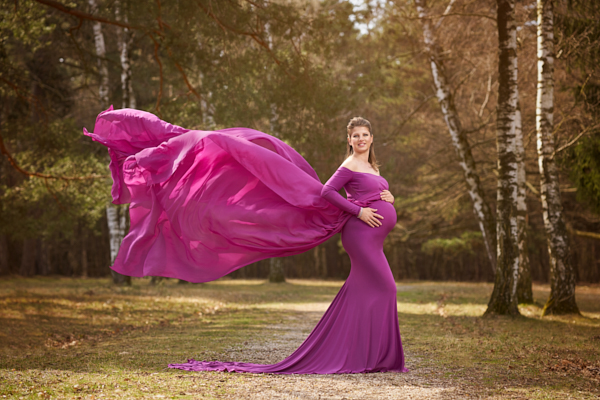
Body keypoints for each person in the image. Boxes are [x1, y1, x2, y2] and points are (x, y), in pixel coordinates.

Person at [85, 109, 407, 374]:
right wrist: (360, 212)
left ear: (371, 138)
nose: (361, 139)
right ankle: (366, 357)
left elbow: (370, 192)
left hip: (372, 237)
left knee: (364, 290)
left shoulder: (370, 165)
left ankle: (370, 358)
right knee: (386, 288)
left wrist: (387, 196)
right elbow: (327, 192)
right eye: (356, 136)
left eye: (365, 135)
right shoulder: (349, 164)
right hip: (361, 236)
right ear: (349, 141)